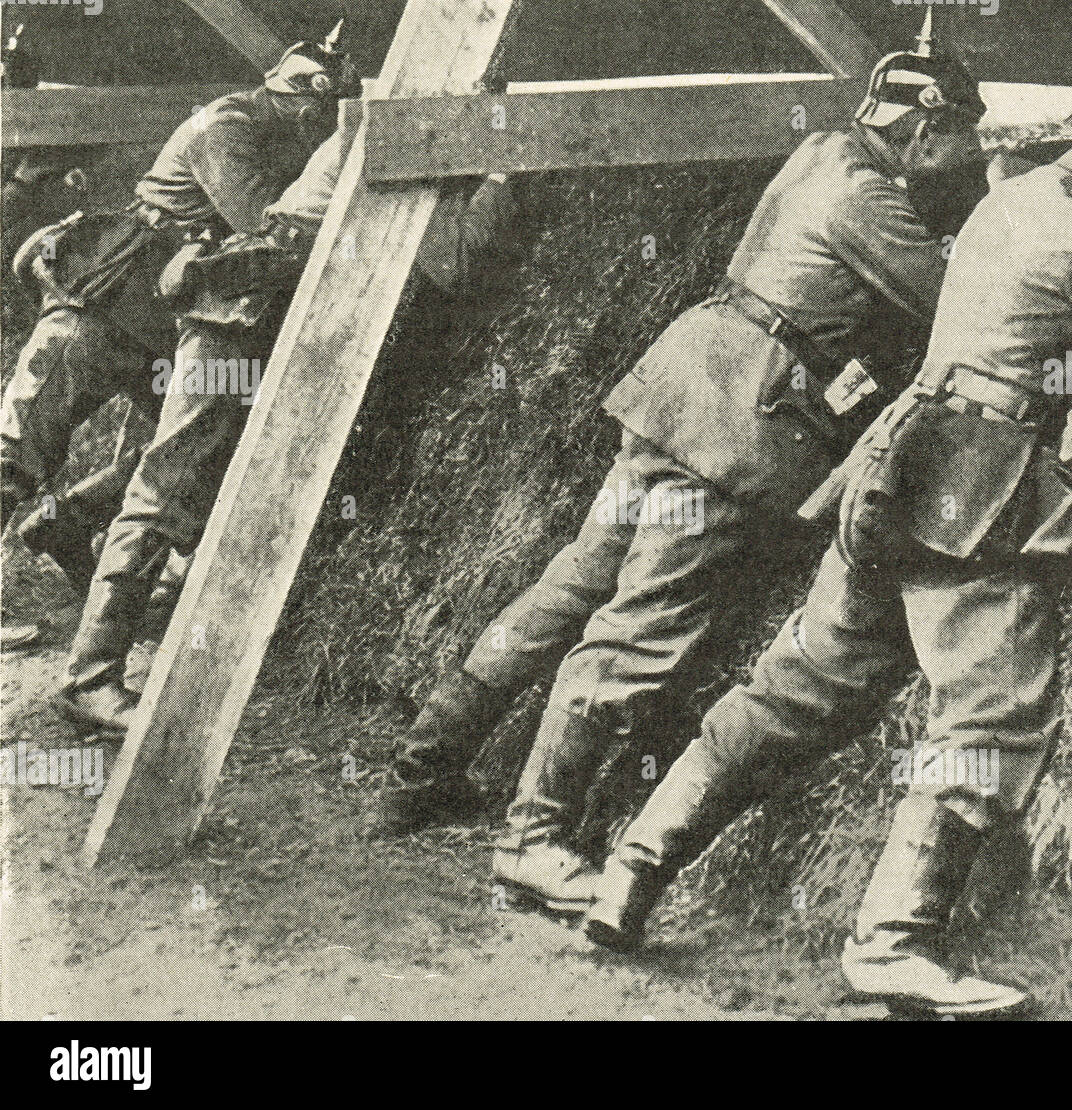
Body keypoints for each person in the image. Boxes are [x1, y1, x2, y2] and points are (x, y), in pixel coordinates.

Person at [583, 13, 1072, 1016]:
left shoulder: (1015, 198)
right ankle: (893, 945)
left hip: (894, 464)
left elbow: (1029, 346)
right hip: (976, 490)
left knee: (800, 684)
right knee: (993, 714)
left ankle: (632, 867)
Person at [373, 13, 993, 920]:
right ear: (924, 129)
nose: (969, 155)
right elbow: (954, 304)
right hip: (732, 427)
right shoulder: (871, 200)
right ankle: (532, 841)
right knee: (639, 631)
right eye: (962, 139)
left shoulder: (824, 152)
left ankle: (418, 770)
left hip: (681, 388)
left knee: (570, 587)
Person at [55, 31, 520, 735]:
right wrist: (504, 180)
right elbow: (452, 259)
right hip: (238, 316)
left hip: (261, 317)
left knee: (196, 463)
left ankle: (73, 525)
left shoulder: (389, 134)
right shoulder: (392, 146)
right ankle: (89, 678)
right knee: (169, 485)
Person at [2, 24, 347, 652]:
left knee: (167, 458)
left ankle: (62, 526)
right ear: (298, 98)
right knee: (19, 448)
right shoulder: (228, 126)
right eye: (317, 112)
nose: (318, 128)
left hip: (167, 318)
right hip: (107, 303)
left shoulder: (275, 128)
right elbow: (261, 219)